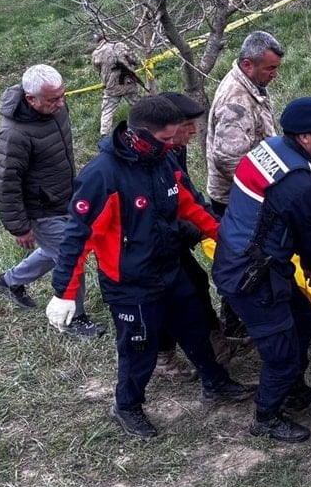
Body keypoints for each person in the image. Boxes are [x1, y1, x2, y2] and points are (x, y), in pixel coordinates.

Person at [47, 96, 254, 438]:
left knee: (195, 327)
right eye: (166, 139)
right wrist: (65, 292)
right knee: (139, 348)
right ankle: (126, 406)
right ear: (138, 135)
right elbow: (77, 236)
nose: (174, 143)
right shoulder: (102, 176)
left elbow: (191, 205)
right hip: (130, 282)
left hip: (170, 267)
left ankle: (215, 382)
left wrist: (228, 238)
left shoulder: (163, 160)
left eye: (174, 138)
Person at [212, 98, 311, 443]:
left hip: (250, 261)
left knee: (304, 322)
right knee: (280, 353)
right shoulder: (300, 183)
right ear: (304, 137)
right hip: (252, 275)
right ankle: (266, 417)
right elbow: (307, 234)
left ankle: (295, 391)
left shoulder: (270, 148)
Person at [0, 64, 101, 339]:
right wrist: (19, 227)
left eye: (63, 96)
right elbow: (6, 183)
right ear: (31, 99)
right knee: (70, 256)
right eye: (53, 100)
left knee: (56, 250)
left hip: (65, 196)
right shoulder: (13, 134)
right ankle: (73, 318)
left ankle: (8, 281)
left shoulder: (55, 109)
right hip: (39, 209)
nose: (61, 103)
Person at [205, 30, 284, 339]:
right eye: (270, 69)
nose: (274, 75)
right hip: (239, 198)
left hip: (252, 192)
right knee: (242, 260)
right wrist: (264, 191)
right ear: (248, 64)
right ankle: (236, 323)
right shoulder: (235, 101)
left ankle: (252, 314)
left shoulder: (252, 86)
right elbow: (228, 158)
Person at [152, 92, 234, 383]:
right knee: (167, 296)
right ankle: (163, 356)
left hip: (176, 236)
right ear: (169, 126)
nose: (194, 131)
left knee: (197, 281)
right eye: (188, 125)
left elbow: (185, 190)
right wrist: (195, 229)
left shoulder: (174, 149)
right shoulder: (151, 156)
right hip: (153, 247)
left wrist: (209, 218)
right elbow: (160, 212)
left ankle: (215, 339)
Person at [91, 32, 144, 137]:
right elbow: (135, 60)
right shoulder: (119, 45)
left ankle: (104, 135)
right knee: (138, 106)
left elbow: (98, 71)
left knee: (107, 111)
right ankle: (145, 126)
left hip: (111, 87)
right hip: (128, 83)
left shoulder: (95, 53)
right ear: (107, 36)